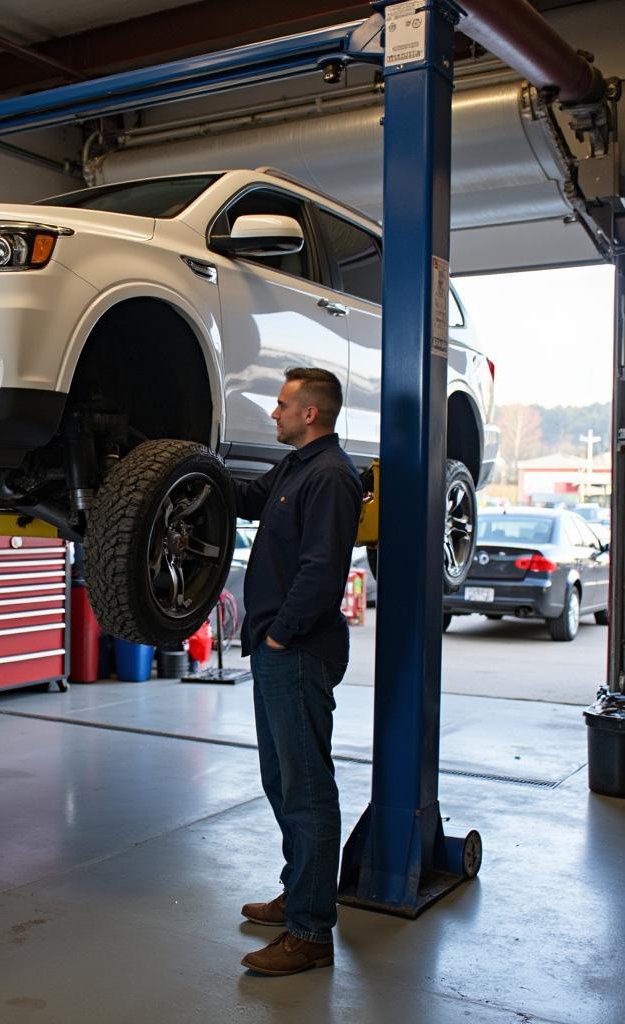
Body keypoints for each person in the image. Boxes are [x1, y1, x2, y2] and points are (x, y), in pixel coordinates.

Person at [232, 366, 363, 977]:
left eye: (283, 405)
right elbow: (246, 498)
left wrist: (282, 633)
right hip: (274, 648)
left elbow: (322, 570)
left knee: (307, 788)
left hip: (298, 650)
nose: (274, 414)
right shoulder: (294, 468)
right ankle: (299, 895)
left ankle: (311, 932)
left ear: (311, 413)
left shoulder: (332, 477)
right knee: (281, 780)